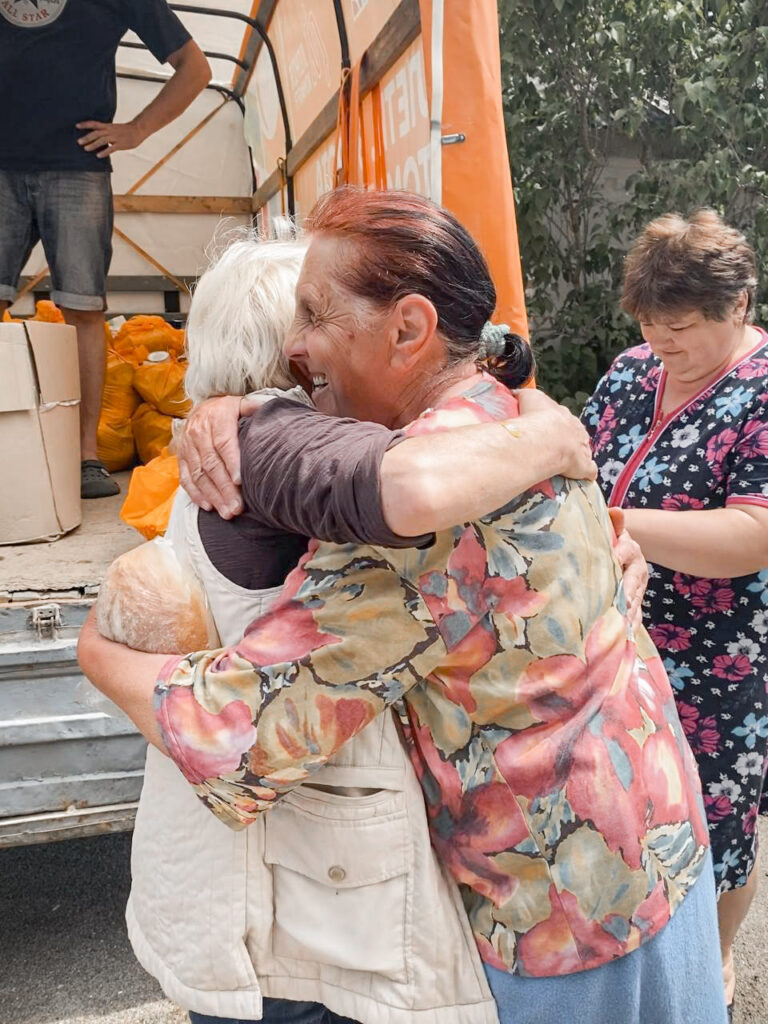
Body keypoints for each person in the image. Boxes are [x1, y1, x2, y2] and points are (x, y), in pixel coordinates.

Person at [78, 188, 727, 1024]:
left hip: (567, 916)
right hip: (656, 840)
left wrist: (98, 652)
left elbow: (240, 738)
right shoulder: (508, 413)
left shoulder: (423, 516)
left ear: (410, 330)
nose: (297, 344)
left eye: (314, 315)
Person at [582, 208, 768, 1018]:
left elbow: (753, 535)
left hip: (721, 647)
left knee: (719, 814)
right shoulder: (630, 371)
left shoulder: (761, 392)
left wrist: (618, 526)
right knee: (627, 803)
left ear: (740, 305)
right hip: (619, 631)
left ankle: (715, 960)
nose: (663, 343)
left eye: (682, 327)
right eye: (652, 326)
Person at [0, 0, 211, 498]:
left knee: (83, 309)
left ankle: (84, 458)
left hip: (77, 168)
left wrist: (136, 129)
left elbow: (195, 68)